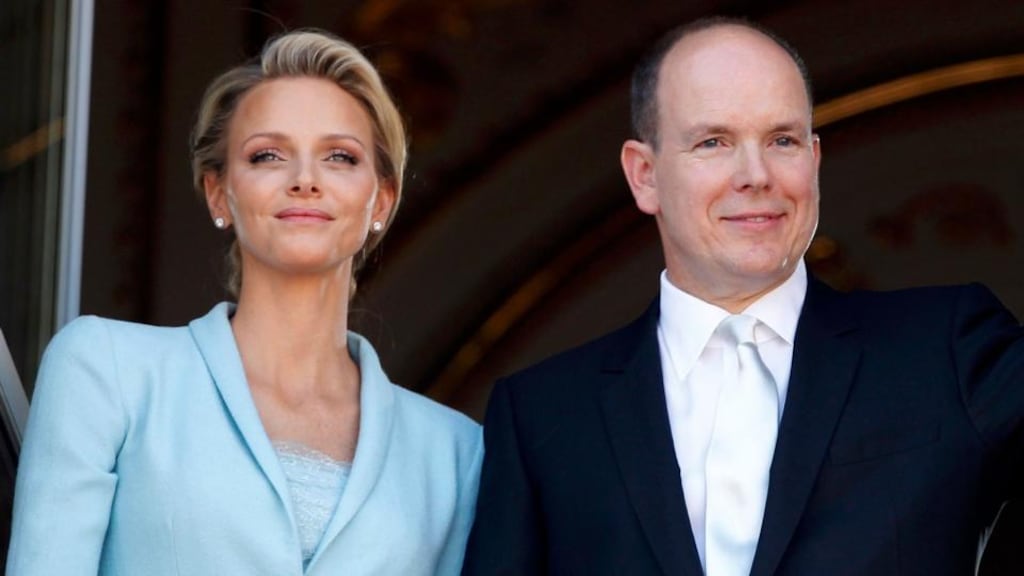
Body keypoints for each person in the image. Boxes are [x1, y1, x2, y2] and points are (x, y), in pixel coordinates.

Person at [462, 16, 1024, 576]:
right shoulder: (544, 416)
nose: (756, 174)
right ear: (644, 176)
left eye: (782, 140)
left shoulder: (947, 348)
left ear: (815, 159)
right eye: (714, 142)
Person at [7, 29, 482, 576]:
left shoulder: (455, 455)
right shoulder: (108, 369)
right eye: (268, 155)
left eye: (339, 157)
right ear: (219, 193)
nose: (305, 180)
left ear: (382, 199)